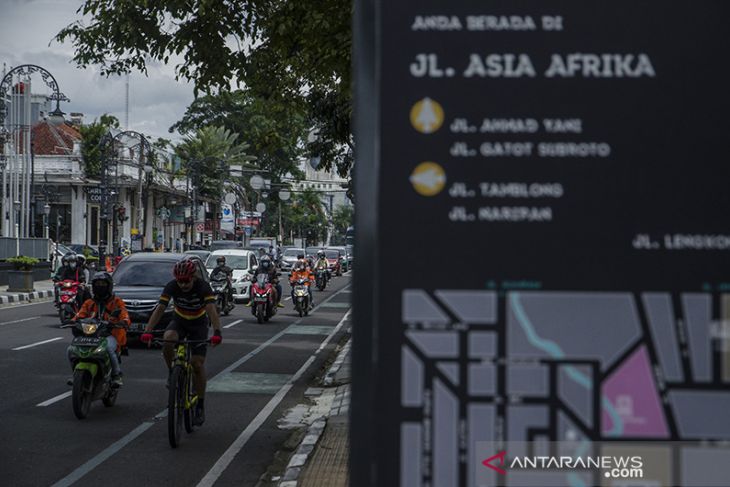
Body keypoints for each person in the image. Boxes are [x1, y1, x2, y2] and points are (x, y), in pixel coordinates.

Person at [140, 258, 222, 425]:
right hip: (180, 321)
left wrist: (217, 332)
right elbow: (160, 309)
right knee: (168, 339)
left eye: (186, 281)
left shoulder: (203, 287)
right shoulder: (171, 286)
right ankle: (172, 372)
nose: (183, 285)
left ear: (193, 277)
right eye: (180, 282)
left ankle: (199, 404)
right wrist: (147, 331)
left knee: (197, 365)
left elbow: (212, 311)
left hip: (198, 324)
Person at [71, 272, 130, 386]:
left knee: (108, 349)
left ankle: (116, 375)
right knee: (71, 350)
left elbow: (124, 315)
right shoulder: (89, 303)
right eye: (97, 284)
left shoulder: (116, 302)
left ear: (109, 286)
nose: (100, 286)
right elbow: (79, 315)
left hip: (109, 335)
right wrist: (73, 321)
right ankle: (75, 374)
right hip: (89, 335)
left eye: (103, 284)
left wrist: (123, 322)